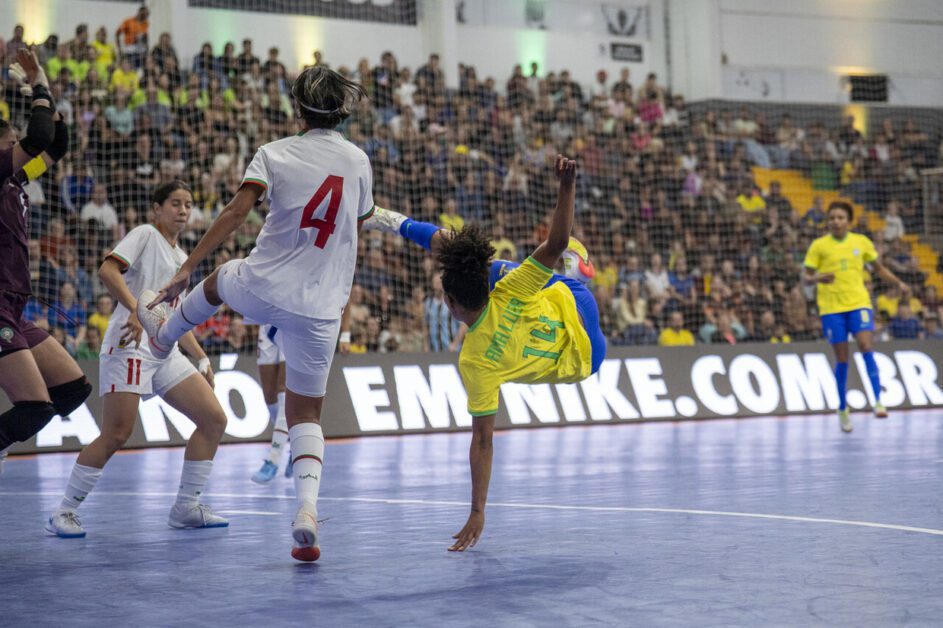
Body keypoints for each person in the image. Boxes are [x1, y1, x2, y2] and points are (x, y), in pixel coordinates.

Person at [137, 66, 372, 563]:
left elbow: (236, 213)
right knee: (306, 413)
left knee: (220, 279)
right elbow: (363, 217)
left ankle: (163, 335)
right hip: (321, 310)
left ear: (297, 108)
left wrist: (187, 268)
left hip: (264, 286)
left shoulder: (275, 151)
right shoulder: (358, 160)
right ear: (342, 111)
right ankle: (306, 511)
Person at [364, 156, 605, 551]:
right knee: (484, 258)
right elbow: (556, 241)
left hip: (584, 362)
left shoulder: (474, 361)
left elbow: (483, 441)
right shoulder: (508, 286)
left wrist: (478, 510)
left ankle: (389, 221)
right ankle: (390, 220)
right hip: (578, 301)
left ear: (450, 305)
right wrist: (567, 186)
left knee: (474, 257)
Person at [46, 181, 228, 538]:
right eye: (175, 203)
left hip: (165, 350)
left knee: (214, 419)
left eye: (188, 204)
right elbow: (107, 271)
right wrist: (136, 310)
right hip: (129, 343)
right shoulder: (145, 234)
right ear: (156, 209)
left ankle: (186, 507)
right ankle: (63, 512)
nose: (183, 210)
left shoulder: (182, 259)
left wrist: (202, 357)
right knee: (117, 433)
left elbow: (174, 318)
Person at [0, 49, 91, 460]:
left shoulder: (17, 178)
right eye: (9, 143)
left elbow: (57, 144)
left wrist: (46, 85)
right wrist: (37, 87)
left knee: (72, 389)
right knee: (35, 409)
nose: (17, 148)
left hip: (14, 308)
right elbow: (36, 138)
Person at [803, 200, 910, 433]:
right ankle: (842, 408)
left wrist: (899, 282)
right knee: (842, 358)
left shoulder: (861, 242)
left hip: (858, 303)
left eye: (840, 218)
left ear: (849, 221)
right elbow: (806, 277)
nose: (836, 221)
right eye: (832, 218)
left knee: (864, 344)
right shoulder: (819, 246)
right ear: (828, 222)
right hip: (831, 308)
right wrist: (819, 278)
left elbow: (879, 269)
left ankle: (878, 402)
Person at [249, 324, 291, 483]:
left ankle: (273, 459)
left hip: (290, 319)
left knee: (283, 391)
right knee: (270, 395)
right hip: (267, 321)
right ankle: (295, 445)